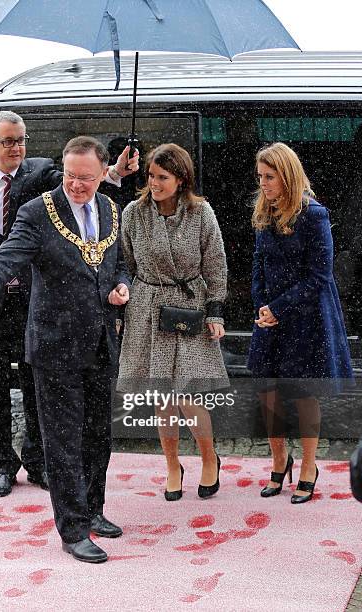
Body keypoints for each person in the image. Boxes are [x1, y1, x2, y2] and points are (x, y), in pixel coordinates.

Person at [0, 110, 138, 497]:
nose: (17, 147)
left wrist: (111, 174)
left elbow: (76, 183)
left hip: (33, 300)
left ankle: (37, 460)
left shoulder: (39, 171)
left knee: (35, 385)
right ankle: (3, 465)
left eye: (22, 139)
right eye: (8, 141)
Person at [0, 136, 131, 564]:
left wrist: (120, 285)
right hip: (54, 347)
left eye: (86, 178)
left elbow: (116, 261)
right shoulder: (38, 212)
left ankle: (94, 509)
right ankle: (73, 530)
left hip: (100, 340)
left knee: (97, 435)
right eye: (70, 175)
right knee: (63, 441)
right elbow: (4, 258)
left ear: (103, 172)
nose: (76, 185)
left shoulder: (110, 208)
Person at [118, 143, 228, 501]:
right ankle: (171, 466)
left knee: (191, 396)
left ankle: (210, 459)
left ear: (181, 180)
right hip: (148, 308)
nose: (154, 183)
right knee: (161, 396)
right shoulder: (134, 212)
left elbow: (215, 263)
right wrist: (126, 307)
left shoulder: (201, 213)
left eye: (162, 177)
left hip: (189, 307)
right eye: (150, 175)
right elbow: (127, 262)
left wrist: (215, 310)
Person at [248, 142, 354, 504]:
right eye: (260, 177)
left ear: (287, 176)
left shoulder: (314, 214)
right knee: (268, 394)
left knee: (305, 395)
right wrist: (262, 305)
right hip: (270, 319)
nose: (263, 184)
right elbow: (258, 265)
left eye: (270, 177)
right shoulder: (264, 211)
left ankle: (309, 466)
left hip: (307, 317)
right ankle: (280, 462)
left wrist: (279, 307)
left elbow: (320, 275)